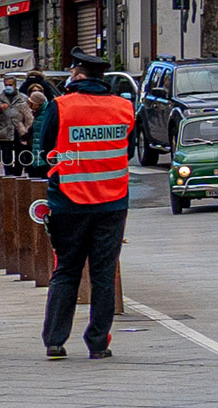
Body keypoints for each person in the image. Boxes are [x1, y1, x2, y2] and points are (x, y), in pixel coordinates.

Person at [39, 47, 136, 359]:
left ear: (78, 75)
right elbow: (128, 150)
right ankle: (98, 344)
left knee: (66, 270)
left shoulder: (61, 106)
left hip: (69, 202)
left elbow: (45, 149)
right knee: (103, 275)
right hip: (112, 203)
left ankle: (55, 341)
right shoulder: (124, 107)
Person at [0, 75, 33, 176]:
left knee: (20, 155)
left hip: (20, 131)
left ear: (15, 85)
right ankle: (8, 175)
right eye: (6, 85)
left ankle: (17, 173)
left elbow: (29, 115)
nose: (8, 87)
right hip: (4, 130)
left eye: (10, 85)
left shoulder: (23, 98)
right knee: (6, 156)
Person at [25, 91, 50, 179]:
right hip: (37, 151)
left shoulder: (43, 114)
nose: (29, 105)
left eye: (31, 103)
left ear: (36, 103)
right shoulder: (39, 113)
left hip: (42, 154)